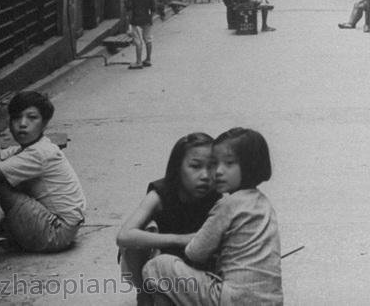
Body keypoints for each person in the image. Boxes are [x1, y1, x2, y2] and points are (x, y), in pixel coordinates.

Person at [142, 128, 283, 305]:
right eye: (216, 163)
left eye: (229, 164)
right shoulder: (264, 204)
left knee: (158, 266)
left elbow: (195, 253)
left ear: (250, 166)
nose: (218, 171)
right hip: (271, 300)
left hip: (233, 299)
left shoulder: (228, 204)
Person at [0, 91, 86, 253]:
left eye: (32, 117)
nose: (23, 124)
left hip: (56, 232)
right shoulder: (31, 148)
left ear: (44, 124)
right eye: (17, 117)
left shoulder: (38, 153)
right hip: (61, 228)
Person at [117, 132, 220, 303]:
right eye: (195, 166)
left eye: (211, 167)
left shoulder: (217, 196)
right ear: (177, 168)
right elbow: (124, 236)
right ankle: (144, 293)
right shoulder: (160, 194)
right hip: (156, 262)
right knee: (143, 233)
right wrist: (180, 240)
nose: (205, 175)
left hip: (195, 267)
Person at [126, 0, 156, 69]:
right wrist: (150, 18)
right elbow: (153, 8)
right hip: (147, 19)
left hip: (135, 20)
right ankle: (148, 59)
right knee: (148, 39)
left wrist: (129, 22)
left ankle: (138, 62)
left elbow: (129, 8)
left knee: (138, 41)